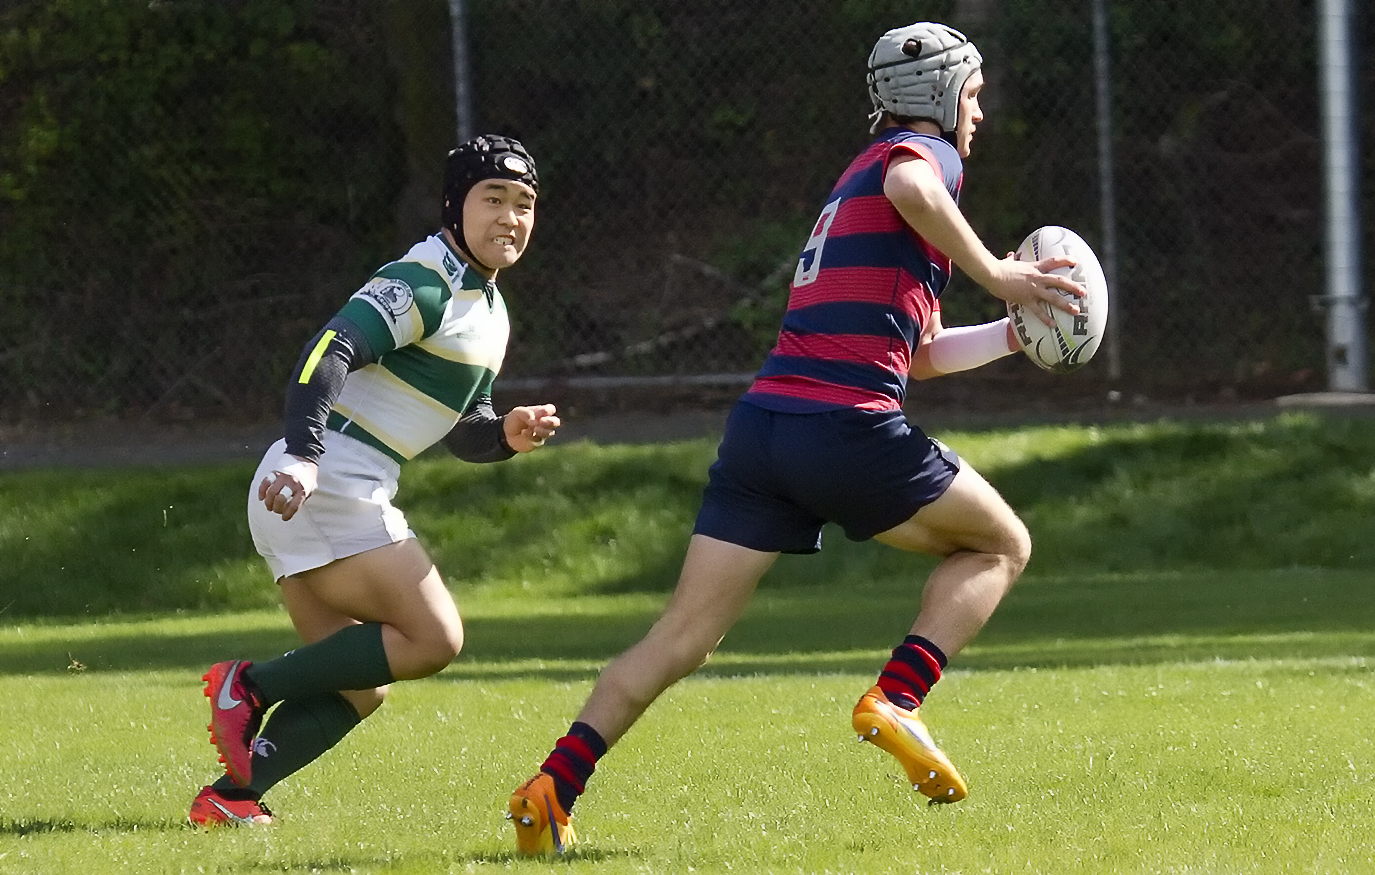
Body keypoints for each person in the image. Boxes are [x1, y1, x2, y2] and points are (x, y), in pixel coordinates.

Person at [506, 22, 1086, 855]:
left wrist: (1010, 330)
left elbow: (916, 357)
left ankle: (551, 786)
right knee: (1000, 545)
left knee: (681, 636)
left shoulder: (854, 181)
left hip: (762, 432)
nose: (980, 112)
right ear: (938, 96)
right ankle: (897, 697)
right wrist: (1000, 272)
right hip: (843, 425)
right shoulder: (922, 163)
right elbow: (917, 187)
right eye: (975, 92)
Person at [188, 134, 561, 827]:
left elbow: (460, 427)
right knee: (434, 638)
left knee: (359, 685)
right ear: (454, 206)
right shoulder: (425, 281)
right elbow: (330, 350)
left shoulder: (487, 307)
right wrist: (304, 452)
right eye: (493, 199)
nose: (510, 217)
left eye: (524, 204)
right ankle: (250, 683)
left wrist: (503, 432)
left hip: (314, 487)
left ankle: (230, 796)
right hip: (326, 480)